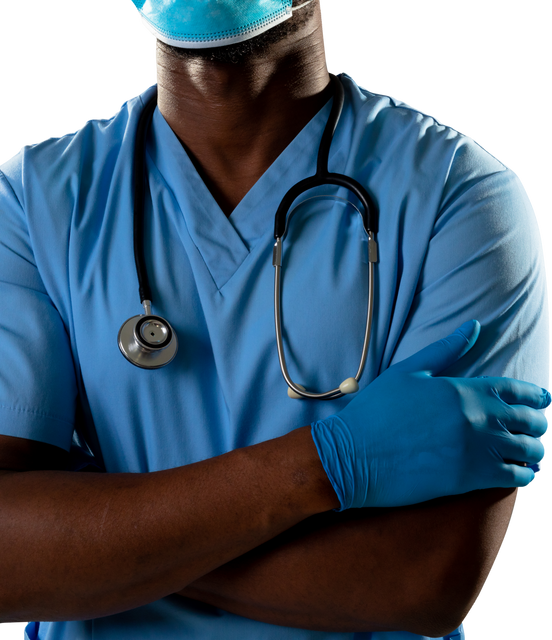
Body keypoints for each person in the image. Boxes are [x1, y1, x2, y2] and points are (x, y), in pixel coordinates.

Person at [0, 1, 549, 638]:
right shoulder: (34, 197)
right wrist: (329, 463)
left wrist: (89, 542)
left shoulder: (461, 197)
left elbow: (423, 581)